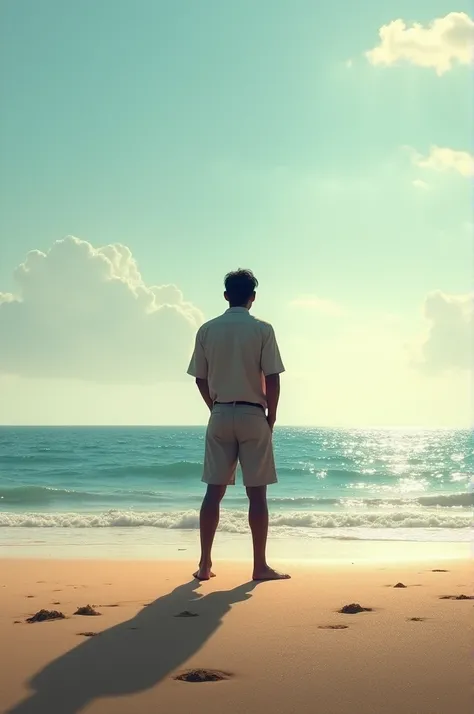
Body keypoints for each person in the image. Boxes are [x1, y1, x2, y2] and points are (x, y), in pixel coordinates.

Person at [187, 269, 290, 582]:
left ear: (226, 295)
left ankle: (205, 565)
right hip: (252, 412)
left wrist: (214, 407)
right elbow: (272, 377)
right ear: (253, 297)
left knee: (212, 493)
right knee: (256, 496)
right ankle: (259, 566)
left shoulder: (207, 330)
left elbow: (200, 378)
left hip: (220, 413)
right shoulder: (262, 329)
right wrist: (270, 415)